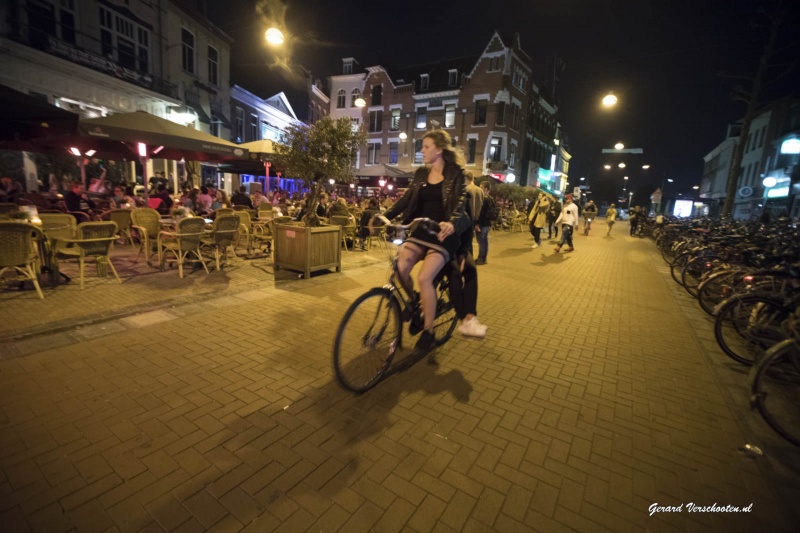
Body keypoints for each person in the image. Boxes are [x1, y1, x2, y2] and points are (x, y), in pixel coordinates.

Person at [376, 129, 470, 353]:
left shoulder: (456, 174)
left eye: (426, 146)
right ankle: (415, 300)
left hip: (442, 234)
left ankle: (428, 330)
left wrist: (452, 222)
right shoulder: (420, 174)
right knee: (400, 269)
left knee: (425, 277)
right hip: (420, 230)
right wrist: (383, 216)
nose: (422, 150)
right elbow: (406, 199)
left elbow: (459, 203)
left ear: (439, 149)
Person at [448, 203, 487, 338]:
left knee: (466, 269)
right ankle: (467, 319)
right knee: (456, 272)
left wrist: (463, 253)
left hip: (457, 246)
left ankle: (467, 318)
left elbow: (468, 224)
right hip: (444, 245)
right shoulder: (460, 190)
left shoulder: (462, 193)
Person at [463, 172, 484, 248]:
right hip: (477, 218)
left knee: (466, 241)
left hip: (467, 218)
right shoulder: (480, 190)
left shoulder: (466, 189)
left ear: (465, 178)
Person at [475, 181, 494, 265]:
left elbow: (481, 213)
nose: (480, 188)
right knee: (485, 242)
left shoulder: (484, 199)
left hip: (482, 224)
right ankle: (484, 258)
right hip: (488, 224)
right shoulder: (491, 199)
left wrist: (478, 224)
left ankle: (480, 259)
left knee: (481, 242)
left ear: (485, 189)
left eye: (481, 187)